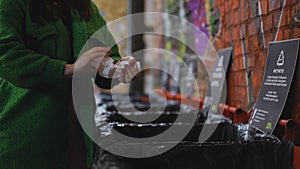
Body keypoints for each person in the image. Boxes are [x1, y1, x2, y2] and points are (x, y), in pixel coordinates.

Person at [0, 0, 139, 168]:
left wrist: (117, 68)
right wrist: (69, 69)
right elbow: (6, 56)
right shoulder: (10, 4)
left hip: (78, 137)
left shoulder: (85, 7)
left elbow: (106, 57)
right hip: (25, 141)